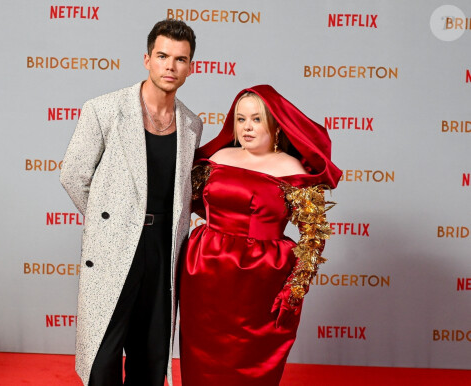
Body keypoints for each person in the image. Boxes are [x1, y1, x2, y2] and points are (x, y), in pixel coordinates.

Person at [60, 19, 202, 386]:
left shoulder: (191, 123)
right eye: (163, 56)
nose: (170, 66)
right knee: (103, 356)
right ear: (147, 59)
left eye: (180, 59)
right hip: (115, 244)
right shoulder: (104, 109)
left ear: (191, 67)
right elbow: (74, 175)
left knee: (152, 355)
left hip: (163, 249)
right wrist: (112, 222)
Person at [179, 85, 341, 385]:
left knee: (250, 361)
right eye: (240, 119)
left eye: (256, 119)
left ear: (275, 124)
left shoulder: (291, 169)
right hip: (204, 270)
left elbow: (314, 235)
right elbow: (185, 204)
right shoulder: (218, 158)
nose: (247, 127)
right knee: (201, 355)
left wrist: (295, 288)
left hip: (261, 277)